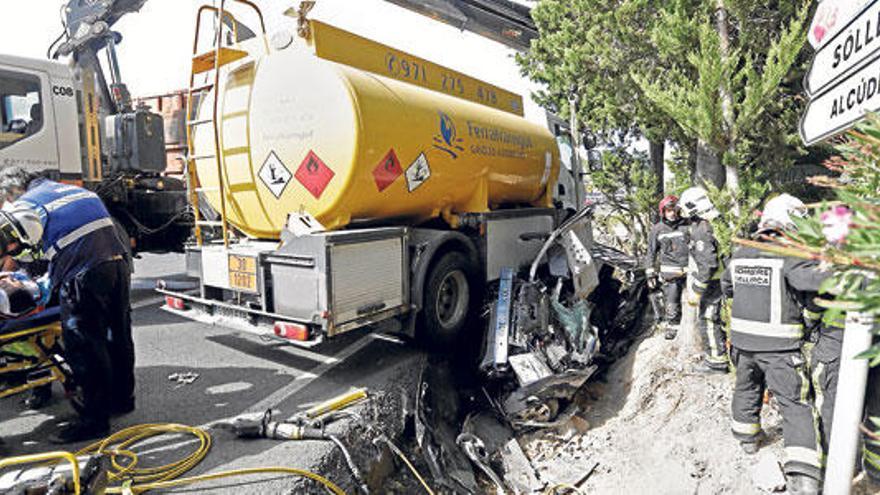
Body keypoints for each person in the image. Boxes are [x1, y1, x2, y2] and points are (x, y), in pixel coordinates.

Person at [0, 167, 133, 443]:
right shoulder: (70, 189)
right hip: (116, 263)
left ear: (14, 192)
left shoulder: (27, 204)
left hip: (84, 270)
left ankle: (94, 422)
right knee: (116, 335)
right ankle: (122, 399)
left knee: (84, 344)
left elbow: (13, 246)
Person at [721, 194, 827, 495]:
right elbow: (815, 294)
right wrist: (808, 320)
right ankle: (804, 477)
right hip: (780, 349)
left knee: (746, 388)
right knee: (795, 404)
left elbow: (727, 287)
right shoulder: (791, 253)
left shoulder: (742, 251)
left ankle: (747, 438)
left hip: (742, 345)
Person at [678, 187, 728, 372]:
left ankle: (716, 362)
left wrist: (697, 291)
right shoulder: (719, 220)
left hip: (714, 284)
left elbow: (708, 264)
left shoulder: (702, 228)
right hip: (727, 280)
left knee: (708, 320)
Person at [645, 195, 689, 340]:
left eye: (674, 209)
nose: (672, 213)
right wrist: (650, 274)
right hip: (670, 273)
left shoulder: (686, 225)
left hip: (689, 270)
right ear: (663, 212)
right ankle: (672, 327)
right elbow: (651, 252)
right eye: (669, 210)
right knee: (672, 300)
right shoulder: (657, 230)